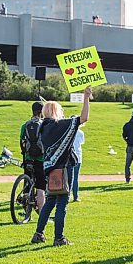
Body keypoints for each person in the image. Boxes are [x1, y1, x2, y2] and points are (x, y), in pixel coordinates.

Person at [30, 86, 91, 246]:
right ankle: (59, 237)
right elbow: (83, 118)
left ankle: (39, 233)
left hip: (50, 168)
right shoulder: (60, 125)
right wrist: (86, 97)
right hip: (64, 167)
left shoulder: (43, 127)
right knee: (62, 203)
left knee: (50, 201)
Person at [20, 102, 46, 211]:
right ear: (42, 112)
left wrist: (25, 155)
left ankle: (27, 212)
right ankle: (41, 213)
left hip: (28, 158)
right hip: (41, 159)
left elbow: (22, 142)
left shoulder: (25, 125)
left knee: (27, 182)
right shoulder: (44, 125)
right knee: (41, 187)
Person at [72, 124, 85, 202]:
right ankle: (75, 196)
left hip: (70, 156)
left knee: (69, 177)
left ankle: (66, 196)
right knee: (75, 178)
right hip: (78, 156)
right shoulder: (80, 133)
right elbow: (81, 142)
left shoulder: (69, 132)